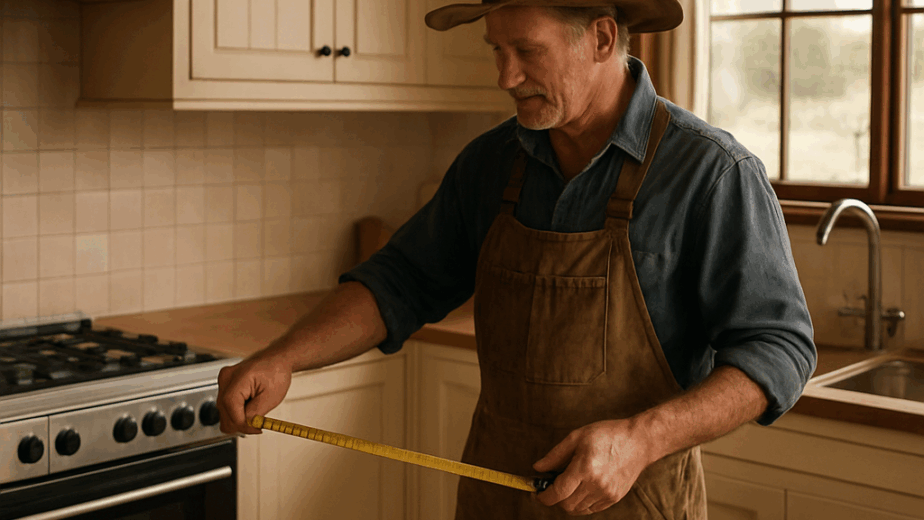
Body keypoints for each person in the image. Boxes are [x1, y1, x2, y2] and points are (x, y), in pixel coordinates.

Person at [217, 0, 817, 517]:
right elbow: (400, 280)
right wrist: (284, 356)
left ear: (602, 37)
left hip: (634, 507)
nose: (506, 76)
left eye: (527, 50)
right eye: (496, 50)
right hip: (493, 501)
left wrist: (640, 438)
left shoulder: (710, 174)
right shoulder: (489, 163)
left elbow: (780, 349)